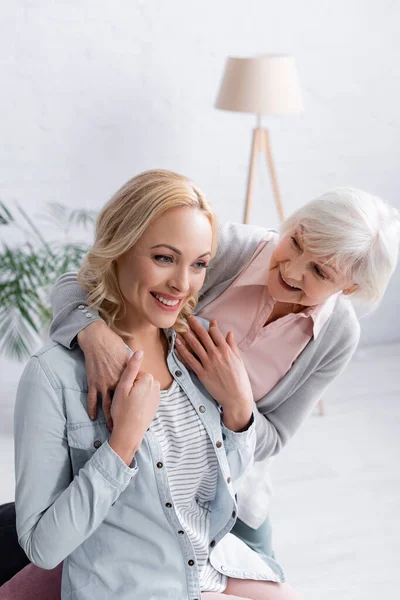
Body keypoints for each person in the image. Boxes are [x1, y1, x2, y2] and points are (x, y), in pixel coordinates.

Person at [44, 186, 400, 556]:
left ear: (350, 286)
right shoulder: (230, 249)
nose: (292, 269)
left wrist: (238, 402)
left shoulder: (337, 336)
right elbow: (77, 283)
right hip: (144, 466)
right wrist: (93, 333)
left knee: (270, 577)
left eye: (320, 272)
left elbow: (274, 437)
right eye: (295, 242)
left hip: (229, 487)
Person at [2, 170, 301, 600]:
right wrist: (120, 445)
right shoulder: (54, 376)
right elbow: (42, 547)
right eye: (164, 258)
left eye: (199, 264)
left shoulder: (198, 346)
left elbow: (214, 490)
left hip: (206, 565)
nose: (183, 284)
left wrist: (238, 411)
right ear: (119, 249)